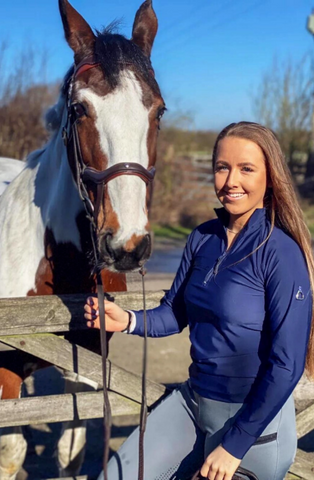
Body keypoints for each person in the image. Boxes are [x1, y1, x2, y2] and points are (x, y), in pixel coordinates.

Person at [84, 121, 314, 480]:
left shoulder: (281, 254)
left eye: (246, 169)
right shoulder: (202, 238)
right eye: (222, 167)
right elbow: (175, 313)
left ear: (271, 177)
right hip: (193, 405)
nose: (231, 181)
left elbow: (287, 366)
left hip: (253, 426)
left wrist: (235, 445)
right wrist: (127, 320)